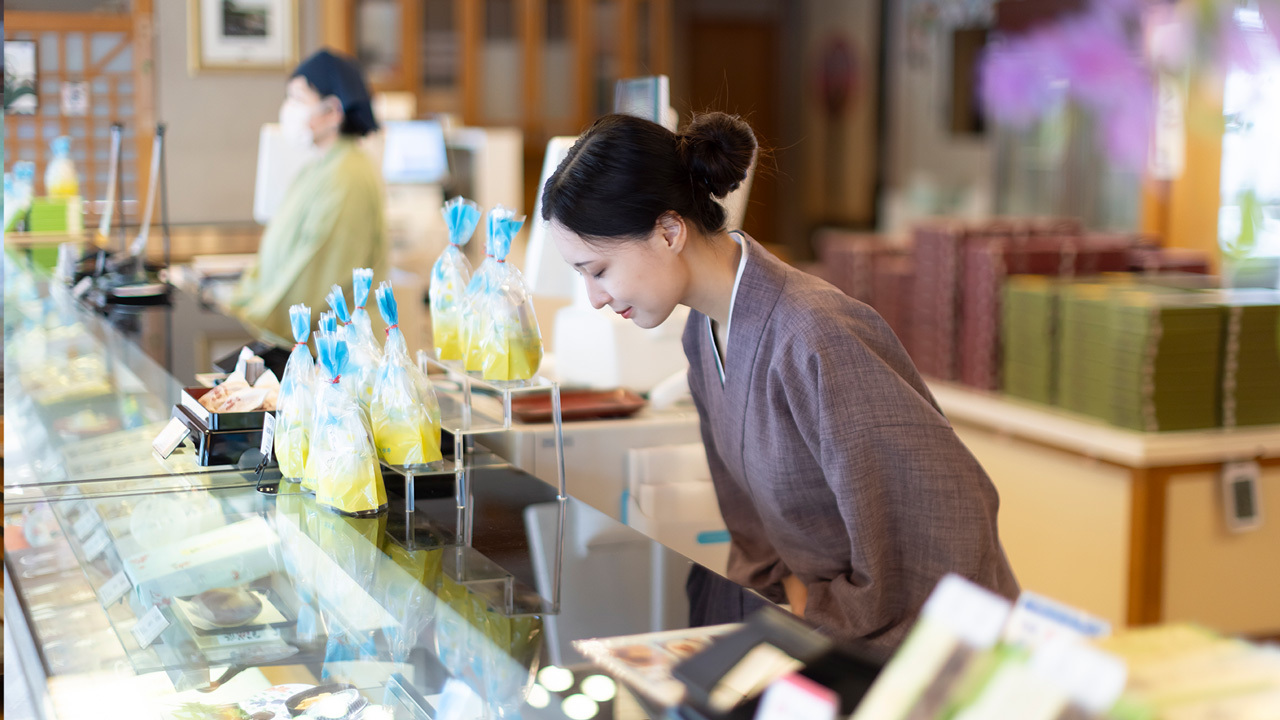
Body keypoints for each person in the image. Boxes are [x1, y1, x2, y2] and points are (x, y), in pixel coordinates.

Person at [541, 112, 1019, 662]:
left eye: (597, 270)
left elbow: (942, 525)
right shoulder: (704, 330)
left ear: (670, 231)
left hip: (915, 647)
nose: (595, 298)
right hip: (820, 628)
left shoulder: (817, 333)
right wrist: (766, 623)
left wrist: (816, 636)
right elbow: (751, 535)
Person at [232, 49, 387, 345]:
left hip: (335, 359)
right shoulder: (319, 167)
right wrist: (239, 302)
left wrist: (251, 317)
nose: (288, 108)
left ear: (332, 112)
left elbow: (313, 279)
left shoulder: (348, 176)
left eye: (299, 99)